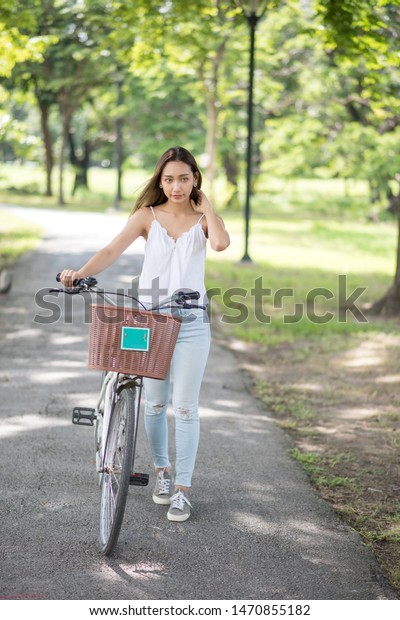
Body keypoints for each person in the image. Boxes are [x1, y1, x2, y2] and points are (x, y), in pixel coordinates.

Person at [60, 146, 230, 522]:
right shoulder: (147, 216)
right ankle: (163, 473)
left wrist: (210, 209)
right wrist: (79, 272)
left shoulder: (203, 220)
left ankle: (183, 490)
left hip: (191, 323)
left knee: (185, 407)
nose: (176, 186)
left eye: (184, 178)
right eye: (168, 179)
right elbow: (111, 250)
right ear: (160, 181)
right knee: (153, 404)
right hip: (148, 321)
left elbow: (220, 244)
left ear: (195, 180)